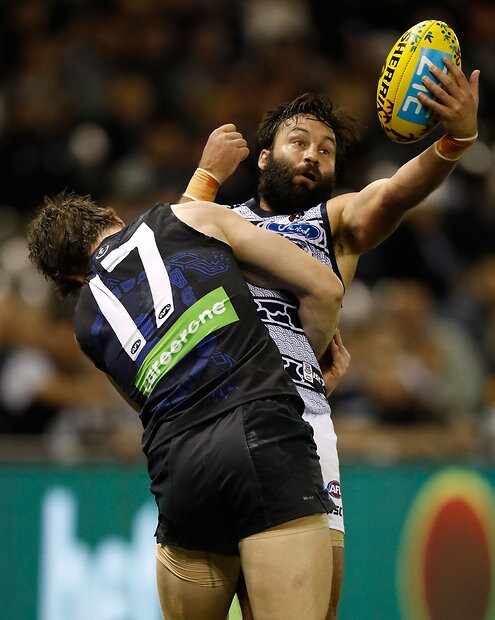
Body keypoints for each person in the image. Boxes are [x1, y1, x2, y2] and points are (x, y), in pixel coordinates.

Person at [181, 56, 480, 619]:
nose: (313, 156)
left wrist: (455, 141)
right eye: (299, 143)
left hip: (301, 424)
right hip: (212, 418)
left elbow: (392, 195)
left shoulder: (333, 222)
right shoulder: (220, 220)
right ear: (264, 157)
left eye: (326, 150)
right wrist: (206, 176)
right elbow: (161, 268)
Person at [26, 191, 345, 620]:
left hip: (179, 470)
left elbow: (147, 403)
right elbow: (326, 288)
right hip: (262, 433)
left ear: (72, 279)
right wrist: (305, 373)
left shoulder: (85, 325)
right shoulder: (190, 216)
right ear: (113, 216)